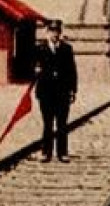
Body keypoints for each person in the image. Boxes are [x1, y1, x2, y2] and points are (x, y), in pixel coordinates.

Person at [32, 18, 79, 161]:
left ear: (60, 33)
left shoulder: (66, 49)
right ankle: (46, 152)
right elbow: (33, 69)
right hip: (46, 92)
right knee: (47, 123)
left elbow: (72, 71)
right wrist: (36, 72)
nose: (55, 34)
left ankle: (62, 153)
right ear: (47, 32)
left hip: (62, 92)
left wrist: (73, 90)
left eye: (57, 31)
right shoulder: (40, 49)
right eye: (52, 31)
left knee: (62, 124)